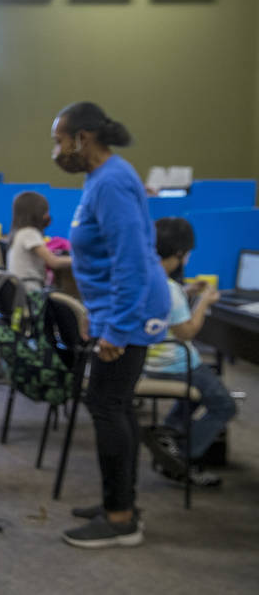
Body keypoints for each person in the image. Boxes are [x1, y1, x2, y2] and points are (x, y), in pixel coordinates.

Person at [53, 102, 170, 549]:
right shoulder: (100, 179)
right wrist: (99, 320)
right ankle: (119, 503)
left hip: (134, 313)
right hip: (119, 312)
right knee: (113, 405)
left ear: (83, 138)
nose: (57, 149)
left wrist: (117, 330)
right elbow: (103, 260)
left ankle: (120, 518)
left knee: (107, 405)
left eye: (59, 139)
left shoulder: (114, 182)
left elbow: (132, 262)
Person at [141, 217, 235, 487]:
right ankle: (182, 457)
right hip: (175, 365)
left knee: (200, 390)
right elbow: (187, 332)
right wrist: (203, 301)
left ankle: (168, 434)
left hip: (146, 361)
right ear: (181, 254)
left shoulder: (146, 276)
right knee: (224, 404)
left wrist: (186, 291)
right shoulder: (170, 289)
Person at [6, 190, 71, 292]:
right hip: (30, 290)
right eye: (45, 212)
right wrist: (79, 260)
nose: (47, 216)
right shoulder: (29, 233)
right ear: (36, 214)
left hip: (19, 290)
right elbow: (53, 262)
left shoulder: (19, 232)